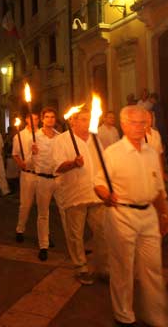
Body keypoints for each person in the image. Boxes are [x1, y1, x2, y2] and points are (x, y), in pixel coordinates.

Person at [94, 105, 168, 326]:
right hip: (122, 215)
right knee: (123, 269)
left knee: (153, 269)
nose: (140, 127)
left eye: (144, 122)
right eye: (135, 123)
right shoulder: (112, 153)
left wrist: (164, 213)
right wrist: (106, 195)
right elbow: (99, 183)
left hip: (148, 214)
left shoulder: (150, 152)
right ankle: (124, 315)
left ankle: (157, 317)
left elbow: (157, 187)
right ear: (124, 124)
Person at [53, 107, 107, 285]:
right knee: (76, 234)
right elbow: (57, 167)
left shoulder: (95, 139)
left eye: (88, 119)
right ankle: (80, 266)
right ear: (73, 121)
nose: (87, 122)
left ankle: (103, 266)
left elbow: (104, 164)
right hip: (75, 193)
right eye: (83, 119)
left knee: (102, 231)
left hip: (96, 193)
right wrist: (73, 164)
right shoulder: (62, 140)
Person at [32, 107, 61, 261]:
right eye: (47, 117)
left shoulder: (60, 137)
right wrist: (32, 153)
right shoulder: (35, 137)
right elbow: (27, 162)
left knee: (66, 212)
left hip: (58, 178)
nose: (50, 119)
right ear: (42, 119)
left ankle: (74, 245)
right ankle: (43, 245)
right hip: (42, 179)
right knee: (43, 214)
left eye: (52, 117)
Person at [13, 113, 40, 243]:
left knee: (42, 207)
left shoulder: (42, 134)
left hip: (41, 174)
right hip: (28, 173)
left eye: (36, 119)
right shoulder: (19, 136)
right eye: (31, 118)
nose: (34, 121)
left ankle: (44, 235)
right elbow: (15, 154)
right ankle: (20, 229)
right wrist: (21, 165)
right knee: (26, 204)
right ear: (26, 120)